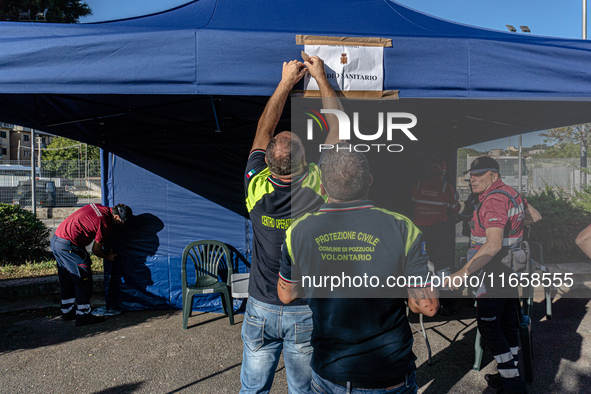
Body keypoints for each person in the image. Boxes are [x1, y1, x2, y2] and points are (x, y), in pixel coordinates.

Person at [278, 145, 439, 394]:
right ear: (370, 181)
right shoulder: (402, 227)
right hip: (389, 374)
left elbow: (287, 294)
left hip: (331, 373)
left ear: (322, 186)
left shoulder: (298, 231)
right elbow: (427, 307)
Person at [241, 56, 341, 394]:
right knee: (303, 390)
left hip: (260, 307)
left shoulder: (255, 186)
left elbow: (263, 131)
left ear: (266, 162)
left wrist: (285, 81)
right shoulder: (321, 185)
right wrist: (321, 78)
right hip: (304, 308)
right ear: (306, 160)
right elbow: (337, 126)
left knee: (253, 389)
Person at [446, 156, 541, 394]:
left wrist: (461, 273)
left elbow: (492, 245)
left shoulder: (493, 200)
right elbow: (535, 216)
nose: (472, 179)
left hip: (495, 270)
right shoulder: (510, 193)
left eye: (479, 175)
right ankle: (510, 375)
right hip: (511, 269)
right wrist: (514, 225)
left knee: (488, 325)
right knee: (508, 322)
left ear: (494, 176)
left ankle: (512, 384)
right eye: (471, 175)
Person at [51, 203, 133, 326]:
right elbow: (96, 250)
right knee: (83, 279)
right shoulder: (104, 223)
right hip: (69, 246)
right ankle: (83, 315)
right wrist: (108, 256)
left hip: (57, 240)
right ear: (116, 217)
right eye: (121, 222)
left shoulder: (98, 207)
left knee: (67, 278)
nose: (120, 225)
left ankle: (67, 311)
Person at [410, 160, 460, 315]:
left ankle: (419, 304)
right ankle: (447, 304)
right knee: (443, 267)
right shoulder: (447, 188)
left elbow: (412, 203)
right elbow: (455, 210)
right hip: (439, 232)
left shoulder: (417, 185)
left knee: (420, 266)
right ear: (443, 173)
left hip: (419, 232)